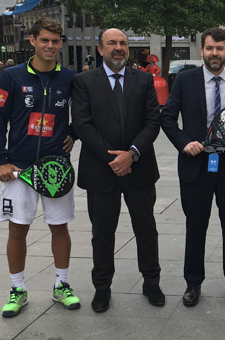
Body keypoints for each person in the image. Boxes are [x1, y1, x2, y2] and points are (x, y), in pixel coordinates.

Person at [0, 17, 79, 318]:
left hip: (55, 168)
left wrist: (73, 134)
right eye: (45, 40)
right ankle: (17, 289)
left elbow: (83, 114)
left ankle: (61, 285)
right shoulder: (11, 77)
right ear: (33, 41)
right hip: (18, 168)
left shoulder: (69, 78)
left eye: (56, 41)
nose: (51, 46)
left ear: (61, 43)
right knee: (17, 230)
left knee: (59, 227)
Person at [160, 27, 225, 307]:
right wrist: (184, 142)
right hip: (196, 164)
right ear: (201, 51)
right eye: (210, 48)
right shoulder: (185, 80)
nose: (215, 53)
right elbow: (167, 118)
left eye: (220, 48)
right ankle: (193, 282)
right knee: (196, 225)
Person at [72, 28, 164, 312]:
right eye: (112, 43)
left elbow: (152, 122)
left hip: (140, 168)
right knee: (102, 233)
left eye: (123, 43)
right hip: (101, 171)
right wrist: (113, 158)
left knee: (146, 228)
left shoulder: (145, 79)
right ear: (101, 49)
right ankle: (102, 288)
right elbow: (82, 125)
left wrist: (132, 154)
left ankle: (151, 282)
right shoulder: (84, 81)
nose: (119, 48)